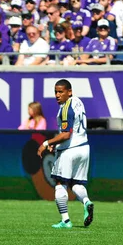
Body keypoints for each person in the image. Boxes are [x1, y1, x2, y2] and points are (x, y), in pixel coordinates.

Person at [37, 79, 94, 229]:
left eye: (61, 92)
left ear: (70, 92)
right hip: (84, 147)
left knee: (60, 183)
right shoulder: (78, 102)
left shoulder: (65, 108)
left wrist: (46, 143)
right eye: (56, 92)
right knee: (76, 183)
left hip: (70, 150)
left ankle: (66, 220)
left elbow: (66, 135)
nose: (57, 95)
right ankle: (87, 202)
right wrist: (56, 143)